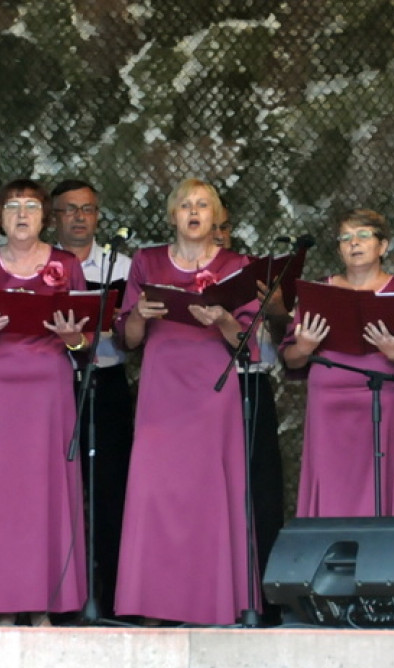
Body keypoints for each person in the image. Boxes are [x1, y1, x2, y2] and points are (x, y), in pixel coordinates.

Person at [113, 178, 256, 626]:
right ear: (172, 215)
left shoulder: (238, 264)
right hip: (162, 387)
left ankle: (210, 604)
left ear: (217, 217)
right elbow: (127, 340)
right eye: (185, 205)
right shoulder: (147, 261)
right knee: (155, 492)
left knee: (209, 493)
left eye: (203, 205)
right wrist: (138, 314)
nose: (193, 212)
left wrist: (226, 319)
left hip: (212, 389)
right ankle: (153, 603)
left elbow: (247, 344)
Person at [0, 178, 88, 626]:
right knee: (0, 497)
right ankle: (1, 605)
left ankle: (43, 606)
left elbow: (86, 340)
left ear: (44, 215)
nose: (22, 213)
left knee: (45, 495)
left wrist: (74, 338)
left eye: (31, 205)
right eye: (12, 205)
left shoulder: (67, 265)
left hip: (48, 391)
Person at [280, 208, 394, 519]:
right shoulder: (319, 292)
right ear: (339, 248)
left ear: (383, 245)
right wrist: (305, 346)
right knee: (333, 488)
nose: (354, 243)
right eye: (346, 237)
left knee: (382, 485)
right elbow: (289, 358)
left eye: (363, 235)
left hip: (386, 403)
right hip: (329, 406)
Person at [51, 178, 134, 620]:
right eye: (70, 209)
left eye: (88, 209)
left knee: (109, 491)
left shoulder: (120, 264)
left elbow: (130, 334)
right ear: (54, 217)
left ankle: (109, 595)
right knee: (59, 492)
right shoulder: (44, 266)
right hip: (57, 386)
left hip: (107, 383)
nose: (80, 218)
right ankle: (62, 595)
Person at [214, 204, 288, 626]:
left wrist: (275, 309)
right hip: (209, 389)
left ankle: (262, 601)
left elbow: (276, 343)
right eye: (214, 226)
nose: (220, 233)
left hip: (251, 384)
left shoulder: (251, 277)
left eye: (226, 226)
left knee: (259, 493)